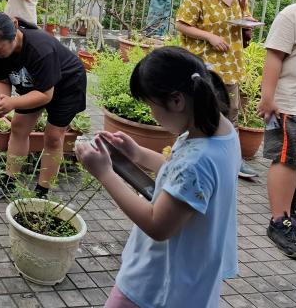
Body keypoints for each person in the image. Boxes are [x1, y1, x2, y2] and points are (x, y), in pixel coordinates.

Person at [76, 47, 239, 308]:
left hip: (157, 283)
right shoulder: (219, 133)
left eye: (151, 105)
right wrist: (138, 153)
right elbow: (181, 177)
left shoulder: (197, 161)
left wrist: (104, 173)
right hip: (190, 278)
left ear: (176, 101)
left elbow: (157, 225)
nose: (152, 114)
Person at [0, 12, 87, 201]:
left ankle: (41, 192)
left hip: (67, 85)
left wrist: (12, 103)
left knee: (53, 137)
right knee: (18, 127)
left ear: (13, 35)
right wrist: (1, 100)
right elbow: (2, 79)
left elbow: (45, 95)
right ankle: (9, 182)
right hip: (36, 86)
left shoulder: (40, 48)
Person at [175, 0, 258, 179]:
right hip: (205, 64)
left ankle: (233, 158)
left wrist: (249, 23)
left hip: (231, 62)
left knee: (231, 110)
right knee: (200, 108)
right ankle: (191, 152)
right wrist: (209, 36)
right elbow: (182, 24)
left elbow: (245, 17)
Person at [257, 1, 296, 258]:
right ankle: (279, 222)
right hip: (290, 104)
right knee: (287, 160)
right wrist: (267, 98)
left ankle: (291, 211)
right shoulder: (292, 15)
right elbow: (274, 56)